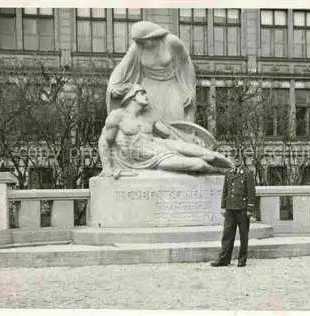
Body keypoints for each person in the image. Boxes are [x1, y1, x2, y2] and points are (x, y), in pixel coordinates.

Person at [97, 84, 233, 177]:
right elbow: (104, 140)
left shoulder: (147, 119)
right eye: (142, 93)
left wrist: (192, 139)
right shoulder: (118, 115)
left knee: (210, 154)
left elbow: (170, 134)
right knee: (200, 164)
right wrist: (107, 167)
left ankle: (217, 159)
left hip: (159, 146)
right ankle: (220, 171)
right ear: (132, 96)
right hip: (149, 159)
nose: (146, 96)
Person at [106, 20, 196, 124]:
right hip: (149, 90)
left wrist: (188, 89)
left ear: (152, 36)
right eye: (139, 42)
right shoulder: (137, 48)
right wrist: (114, 86)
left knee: (175, 121)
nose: (141, 44)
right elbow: (122, 68)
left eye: (143, 41)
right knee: (150, 125)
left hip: (170, 87)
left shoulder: (171, 42)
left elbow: (185, 65)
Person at [210, 157, 257, 267]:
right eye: (234, 158)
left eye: (238, 158)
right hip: (230, 209)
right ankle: (224, 259)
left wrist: (250, 208)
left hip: (242, 209)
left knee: (243, 236)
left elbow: (251, 192)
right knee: (227, 235)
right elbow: (225, 191)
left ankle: (242, 259)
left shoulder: (248, 173)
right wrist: (223, 206)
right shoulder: (229, 173)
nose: (236, 161)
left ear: (242, 160)